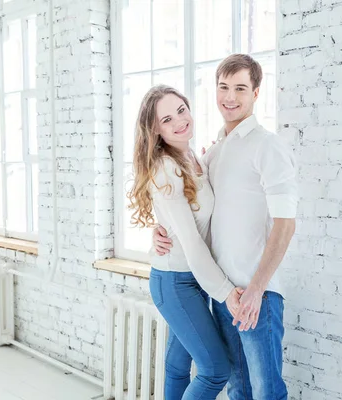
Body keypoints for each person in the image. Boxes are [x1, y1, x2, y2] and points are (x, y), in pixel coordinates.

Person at [153, 54, 298, 400]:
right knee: (238, 389)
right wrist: (161, 230)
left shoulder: (268, 145)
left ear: (256, 93)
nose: (230, 97)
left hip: (255, 294)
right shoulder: (213, 153)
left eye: (240, 88)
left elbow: (286, 224)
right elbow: (193, 212)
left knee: (267, 393)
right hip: (223, 295)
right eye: (223, 87)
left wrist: (256, 290)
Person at [127, 84, 244, 400]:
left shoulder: (192, 156)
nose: (180, 121)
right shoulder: (167, 168)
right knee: (215, 370)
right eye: (167, 120)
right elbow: (191, 242)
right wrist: (226, 293)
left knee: (179, 366)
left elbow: (188, 219)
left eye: (181, 110)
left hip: (192, 278)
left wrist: (160, 225)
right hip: (175, 282)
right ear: (155, 130)